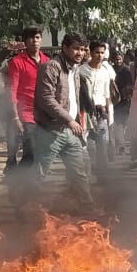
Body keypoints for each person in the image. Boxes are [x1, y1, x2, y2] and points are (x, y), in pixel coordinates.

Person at [31, 32, 94, 211]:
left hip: (70, 130)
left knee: (79, 173)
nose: (79, 53)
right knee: (39, 174)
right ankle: (28, 209)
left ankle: (88, 208)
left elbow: (73, 100)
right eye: (75, 48)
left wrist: (77, 121)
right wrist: (69, 120)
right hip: (50, 131)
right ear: (64, 48)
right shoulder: (52, 67)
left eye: (82, 49)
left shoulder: (75, 70)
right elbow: (46, 99)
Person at [5, 27, 47, 172]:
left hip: (43, 113)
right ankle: (18, 178)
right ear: (25, 41)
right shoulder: (17, 62)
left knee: (39, 151)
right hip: (25, 112)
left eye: (37, 37)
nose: (34, 41)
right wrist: (15, 116)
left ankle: (18, 176)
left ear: (41, 40)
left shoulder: (47, 61)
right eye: (30, 38)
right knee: (31, 151)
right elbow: (12, 89)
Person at [78, 39, 116, 182]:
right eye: (97, 52)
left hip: (102, 114)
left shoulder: (105, 72)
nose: (100, 56)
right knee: (88, 147)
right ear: (91, 52)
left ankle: (103, 177)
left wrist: (109, 117)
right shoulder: (81, 71)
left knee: (103, 146)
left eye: (102, 52)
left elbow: (107, 95)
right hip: (85, 113)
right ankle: (86, 176)